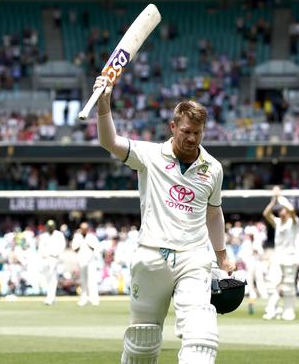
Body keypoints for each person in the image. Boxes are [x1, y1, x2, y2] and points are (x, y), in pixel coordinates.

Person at [93, 75, 235, 364]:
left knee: (201, 336)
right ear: (173, 127)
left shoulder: (213, 168)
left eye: (197, 132)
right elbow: (109, 141)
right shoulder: (149, 155)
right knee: (142, 342)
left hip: (194, 258)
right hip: (151, 257)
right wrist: (104, 105)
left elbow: (213, 211)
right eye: (185, 131)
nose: (191, 138)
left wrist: (221, 256)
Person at [262, 186, 299, 321]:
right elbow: (266, 214)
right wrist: (274, 200)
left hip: (290, 256)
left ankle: (288, 312)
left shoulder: (294, 222)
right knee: (271, 284)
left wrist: (281, 198)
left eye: (284, 210)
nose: (282, 212)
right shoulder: (278, 222)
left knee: (289, 285)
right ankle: (271, 310)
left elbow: (292, 210)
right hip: (278, 256)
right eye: (281, 210)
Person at [71, 222, 100, 306]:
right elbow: (74, 248)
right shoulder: (77, 237)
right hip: (81, 261)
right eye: (82, 229)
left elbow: (96, 248)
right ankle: (84, 298)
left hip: (91, 261)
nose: (83, 230)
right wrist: (80, 243)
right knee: (83, 280)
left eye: (85, 229)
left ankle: (94, 298)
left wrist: (87, 243)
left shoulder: (92, 237)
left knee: (92, 280)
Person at [38, 219, 66, 305]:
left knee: (53, 278)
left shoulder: (59, 235)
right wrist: (43, 256)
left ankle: (51, 298)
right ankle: (49, 297)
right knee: (47, 279)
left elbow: (62, 246)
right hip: (45, 259)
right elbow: (40, 248)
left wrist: (55, 254)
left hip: (54, 259)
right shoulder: (44, 236)